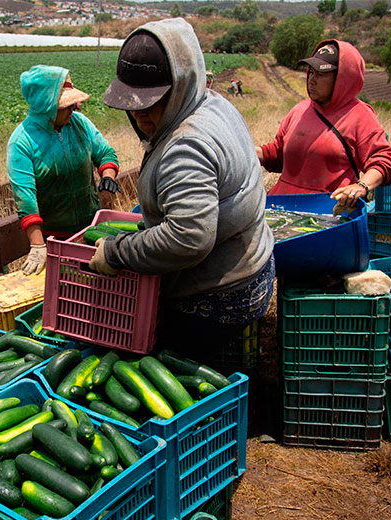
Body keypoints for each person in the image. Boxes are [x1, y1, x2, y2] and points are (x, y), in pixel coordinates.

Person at [90, 18, 274, 364]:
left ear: (181, 82)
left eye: (152, 102)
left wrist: (116, 253)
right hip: (252, 267)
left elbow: (189, 237)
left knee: (194, 377)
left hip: (217, 293)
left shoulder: (186, 145)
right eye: (133, 102)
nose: (140, 115)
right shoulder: (211, 103)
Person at [7, 65, 121, 275]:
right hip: (57, 239)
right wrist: (38, 246)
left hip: (93, 230)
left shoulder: (80, 124)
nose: (74, 107)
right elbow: (26, 199)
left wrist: (107, 177)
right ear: (46, 105)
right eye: (66, 104)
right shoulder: (22, 142)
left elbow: (105, 153)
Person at [256, 40, 391, 209]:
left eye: (321, 75)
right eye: (311, 73)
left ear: (342, 78)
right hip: (282, 208)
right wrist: (257, 153)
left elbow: (383, 161)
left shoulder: (359, 116)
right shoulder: (299, 110)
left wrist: (361, 186)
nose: (312, 80)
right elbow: (280, 155)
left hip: (327, 212)